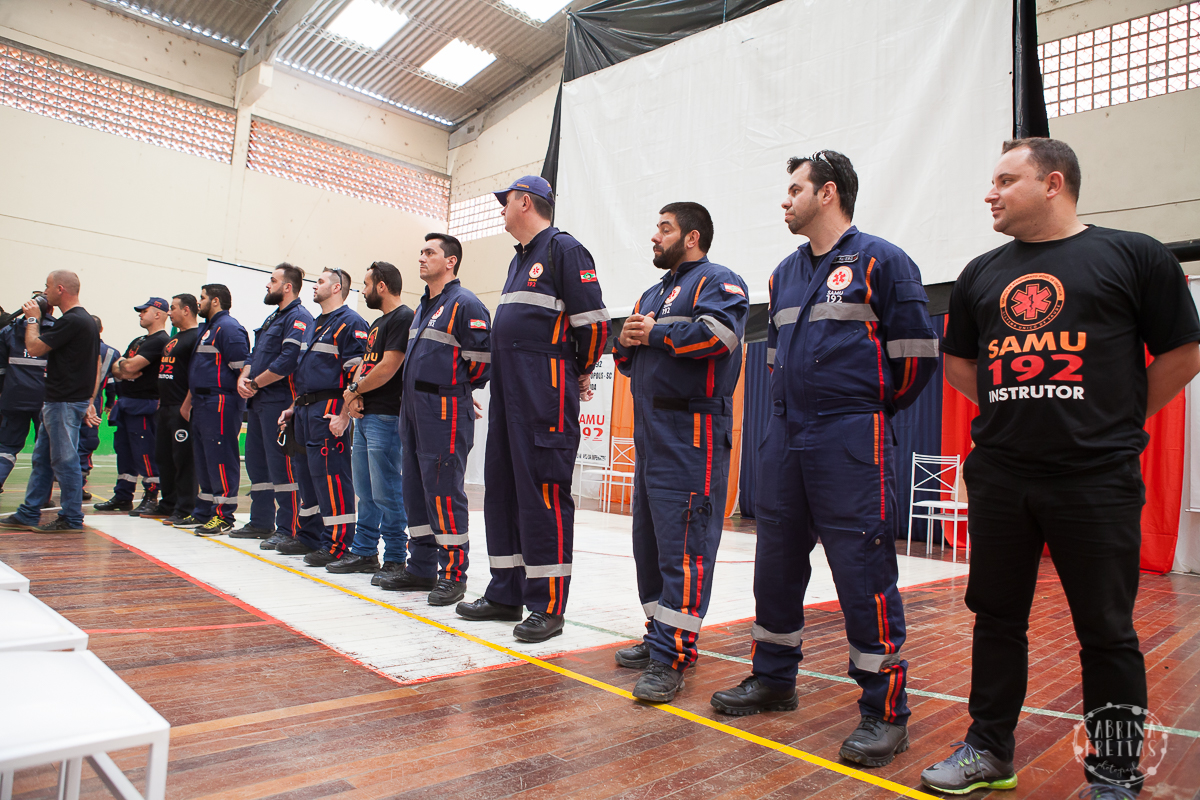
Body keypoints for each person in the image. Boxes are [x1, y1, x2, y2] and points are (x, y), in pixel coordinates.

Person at [921, 138, 1200, 799]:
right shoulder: (980, 272)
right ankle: (989, 751)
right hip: (1002, 475)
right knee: (996, 619)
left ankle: (1115, 772)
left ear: (1053, 183)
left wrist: (1120, 418)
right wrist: (1017, 407)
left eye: (1004, 180)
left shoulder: (1134, 255)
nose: (989, 193)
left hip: (1095, 478)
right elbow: (959, 364)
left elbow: (1183, 353)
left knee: (1107, 631)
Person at [709, 151, 940, 768]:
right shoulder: (783, 274)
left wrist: (866, 408)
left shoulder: (883, 261)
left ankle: (885, 712)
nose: (785, 201)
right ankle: (773, 678)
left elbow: (916, 358)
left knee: (863, 573)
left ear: (828, 193)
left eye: (795, 190)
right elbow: (776, 358)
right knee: (775, 565)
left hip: (850, 436)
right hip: (786, 435)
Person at [457, 175, 610, 643]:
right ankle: (506, 592)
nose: (501, 210)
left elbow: (594, 326)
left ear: (526, 202)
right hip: (509, 393)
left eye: (505, 202)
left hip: (543, 391)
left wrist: (577, 370)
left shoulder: (565, 250)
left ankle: (548, 606)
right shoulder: (519, 259)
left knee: (543, 494)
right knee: (502, 491)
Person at [612, 202, 748, 703]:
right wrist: (625, 340)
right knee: (648, 543)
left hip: (692, 433)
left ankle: (673, 656)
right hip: (651, 433)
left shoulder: (719, 281)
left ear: (692, 237)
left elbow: (718, 336)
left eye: (664, 228)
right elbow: (629, 360)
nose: (655, 236)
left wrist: (655, 333)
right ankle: (658, 636)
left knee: (685, 547)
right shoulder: (652, 293)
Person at [379, 237, 490, 605]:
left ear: (451, 261)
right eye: (421, 252)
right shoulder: (423, 307)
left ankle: (453, 575)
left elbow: (481, 363)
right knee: (415, 491)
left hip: (443, 412)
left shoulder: (465, 303)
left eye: (430, 253)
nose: (421, 258)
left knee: (444, 492)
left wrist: (454, 390)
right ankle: (421, 567)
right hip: (413, 411)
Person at [324, 261, 413, 586]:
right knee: (365, 490)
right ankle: (363, 552)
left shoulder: (403, 317)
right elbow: (366, 363)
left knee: (386, 490)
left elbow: (389, 366)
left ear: (382, 286)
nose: (362, 291)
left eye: (365, 284)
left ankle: (395, 557)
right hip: (365, 415)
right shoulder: (378, 323)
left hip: (386, 416)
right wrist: (352, 394)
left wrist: (355, 390)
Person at [276, 268, 367, 563]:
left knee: (331, 477)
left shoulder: (351, 322)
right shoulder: (315, 324)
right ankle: (309, 536)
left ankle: (337, 544)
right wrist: (293, 407)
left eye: (320, 282)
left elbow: (356, 374)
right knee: (306, 476)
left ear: (337, 288)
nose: (314, 286)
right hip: (304, 409)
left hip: (329, 408)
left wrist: (344, 415)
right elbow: (304, 372)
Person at [0, 271, 99, 533]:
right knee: (42, 460)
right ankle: (29, 512)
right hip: (58, 401)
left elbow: (34, 348)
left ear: (60, 289)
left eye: (47, 287)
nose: (44, 293)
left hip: (64, 403)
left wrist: (33, 319)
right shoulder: (83, 320)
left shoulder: (73, 321)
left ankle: (71, 517)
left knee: (65, 461)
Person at [236, 264, 313, 546]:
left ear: (287, 287)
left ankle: (288, 528)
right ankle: (261, 521)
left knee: (283, 468)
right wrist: (244, 378)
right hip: (258, 402)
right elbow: (254, 354)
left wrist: (255, 383)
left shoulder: (299, 317)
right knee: (257, 464)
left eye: (272, 280)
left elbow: (288, 360)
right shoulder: (273, 318)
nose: (268, 285)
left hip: (278, 401)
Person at [178, 284, 249, 534]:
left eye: (202, 298)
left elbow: (243, 369)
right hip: (202, 402)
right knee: (205, 459)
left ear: (215, 301)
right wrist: (189, 401)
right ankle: (204, 511)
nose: (199, 302)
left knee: (221, 457)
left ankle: (223, 515)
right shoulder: (207, 328)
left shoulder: (228, 328)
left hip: (220, 402)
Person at [93, 298, 169, 515]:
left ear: (158, 314)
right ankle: (123, 495)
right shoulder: (139, 341)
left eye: (145, 311)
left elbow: (129, 366)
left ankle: (151, 495)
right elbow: (118, 368)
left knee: (144, 452)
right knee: (124, 452)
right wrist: (125, 368)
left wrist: (126, 367)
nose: (140, 314)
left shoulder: (161, 341)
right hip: (126, 403)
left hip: (144, 405)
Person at [0, 293, 54, 492]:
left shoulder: (8, 330)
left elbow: (1, 369)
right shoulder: (57, 330)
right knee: (45, 449)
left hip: (13, 398)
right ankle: (42, 497)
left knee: (6, 447)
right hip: (45, 400)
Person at [155, 294, 200, 527]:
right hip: (165, 406)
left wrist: (186, 405)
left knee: (184, 459)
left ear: (186, 310)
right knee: (164, 457)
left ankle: (185, 508)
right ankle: (168, 503)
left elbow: (196, 373)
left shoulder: (196, 337)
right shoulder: (175, 338)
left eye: (173, 308)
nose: (169, 312)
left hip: (181, 409)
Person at [78, 316, 118, 501]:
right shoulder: (111, 353)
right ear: (101, 330)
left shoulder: (70, 346)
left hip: (67, 400)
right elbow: (112, 382)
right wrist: (110, 402)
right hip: (94, 403)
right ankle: (78, 483)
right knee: (87, 441)